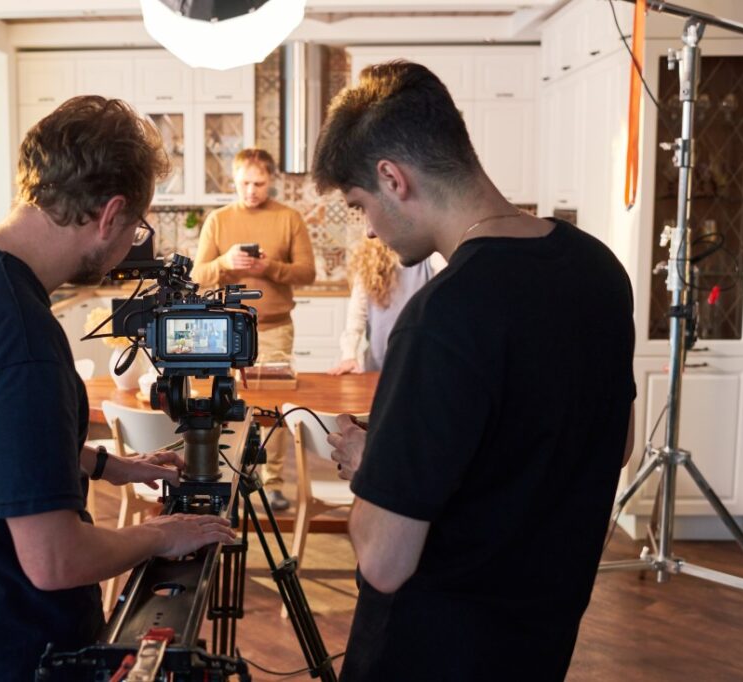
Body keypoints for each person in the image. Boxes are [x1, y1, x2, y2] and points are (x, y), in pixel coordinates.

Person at [0, 96, 235, 681]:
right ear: (110, 213)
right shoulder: (20, 334)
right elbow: (54, 560)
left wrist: (102, 464)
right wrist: (157, 534)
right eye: (137, 227)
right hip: (17, 654)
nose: (132, 244)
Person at [313, 61, 636, 681]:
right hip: (540, 641)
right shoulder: (598, 270)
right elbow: (612, 445)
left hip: (430, 652)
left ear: (392, 177)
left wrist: (373, 468)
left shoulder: (440, 316)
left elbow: (384, 560)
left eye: (360, 207)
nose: (371, 231)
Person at [191, 148, 315, 511]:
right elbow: (198, 276)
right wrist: (224, 263)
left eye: (259, 183)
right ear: (234, 180)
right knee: (224, 401)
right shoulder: (218, 220)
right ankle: (227, 474)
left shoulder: (289, 218)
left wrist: (271, 268)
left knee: (272, 408)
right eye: (244, 183)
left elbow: (307, 272)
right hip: (224, 329)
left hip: (275, 328)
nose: (251, 191)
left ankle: (273, 483)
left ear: (271, 181)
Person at [327, 238, 438, 375]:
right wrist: (349, 356)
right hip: (378, 364)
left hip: (421, 363)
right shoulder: (369, 264)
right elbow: (356, 318)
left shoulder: (432, 259)